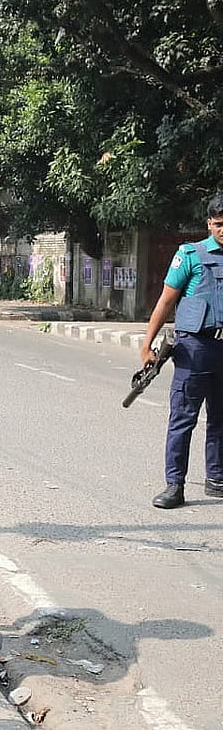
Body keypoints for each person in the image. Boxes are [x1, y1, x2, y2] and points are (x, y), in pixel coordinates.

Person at [143, 192, 223, 509]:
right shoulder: (190, 255)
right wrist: (146, 344)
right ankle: (174, 485)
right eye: (219, 224)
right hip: (195, 349)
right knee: (183, 419)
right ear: (209, 224)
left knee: (220, 420)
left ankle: (216, 479)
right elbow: (165, 301)